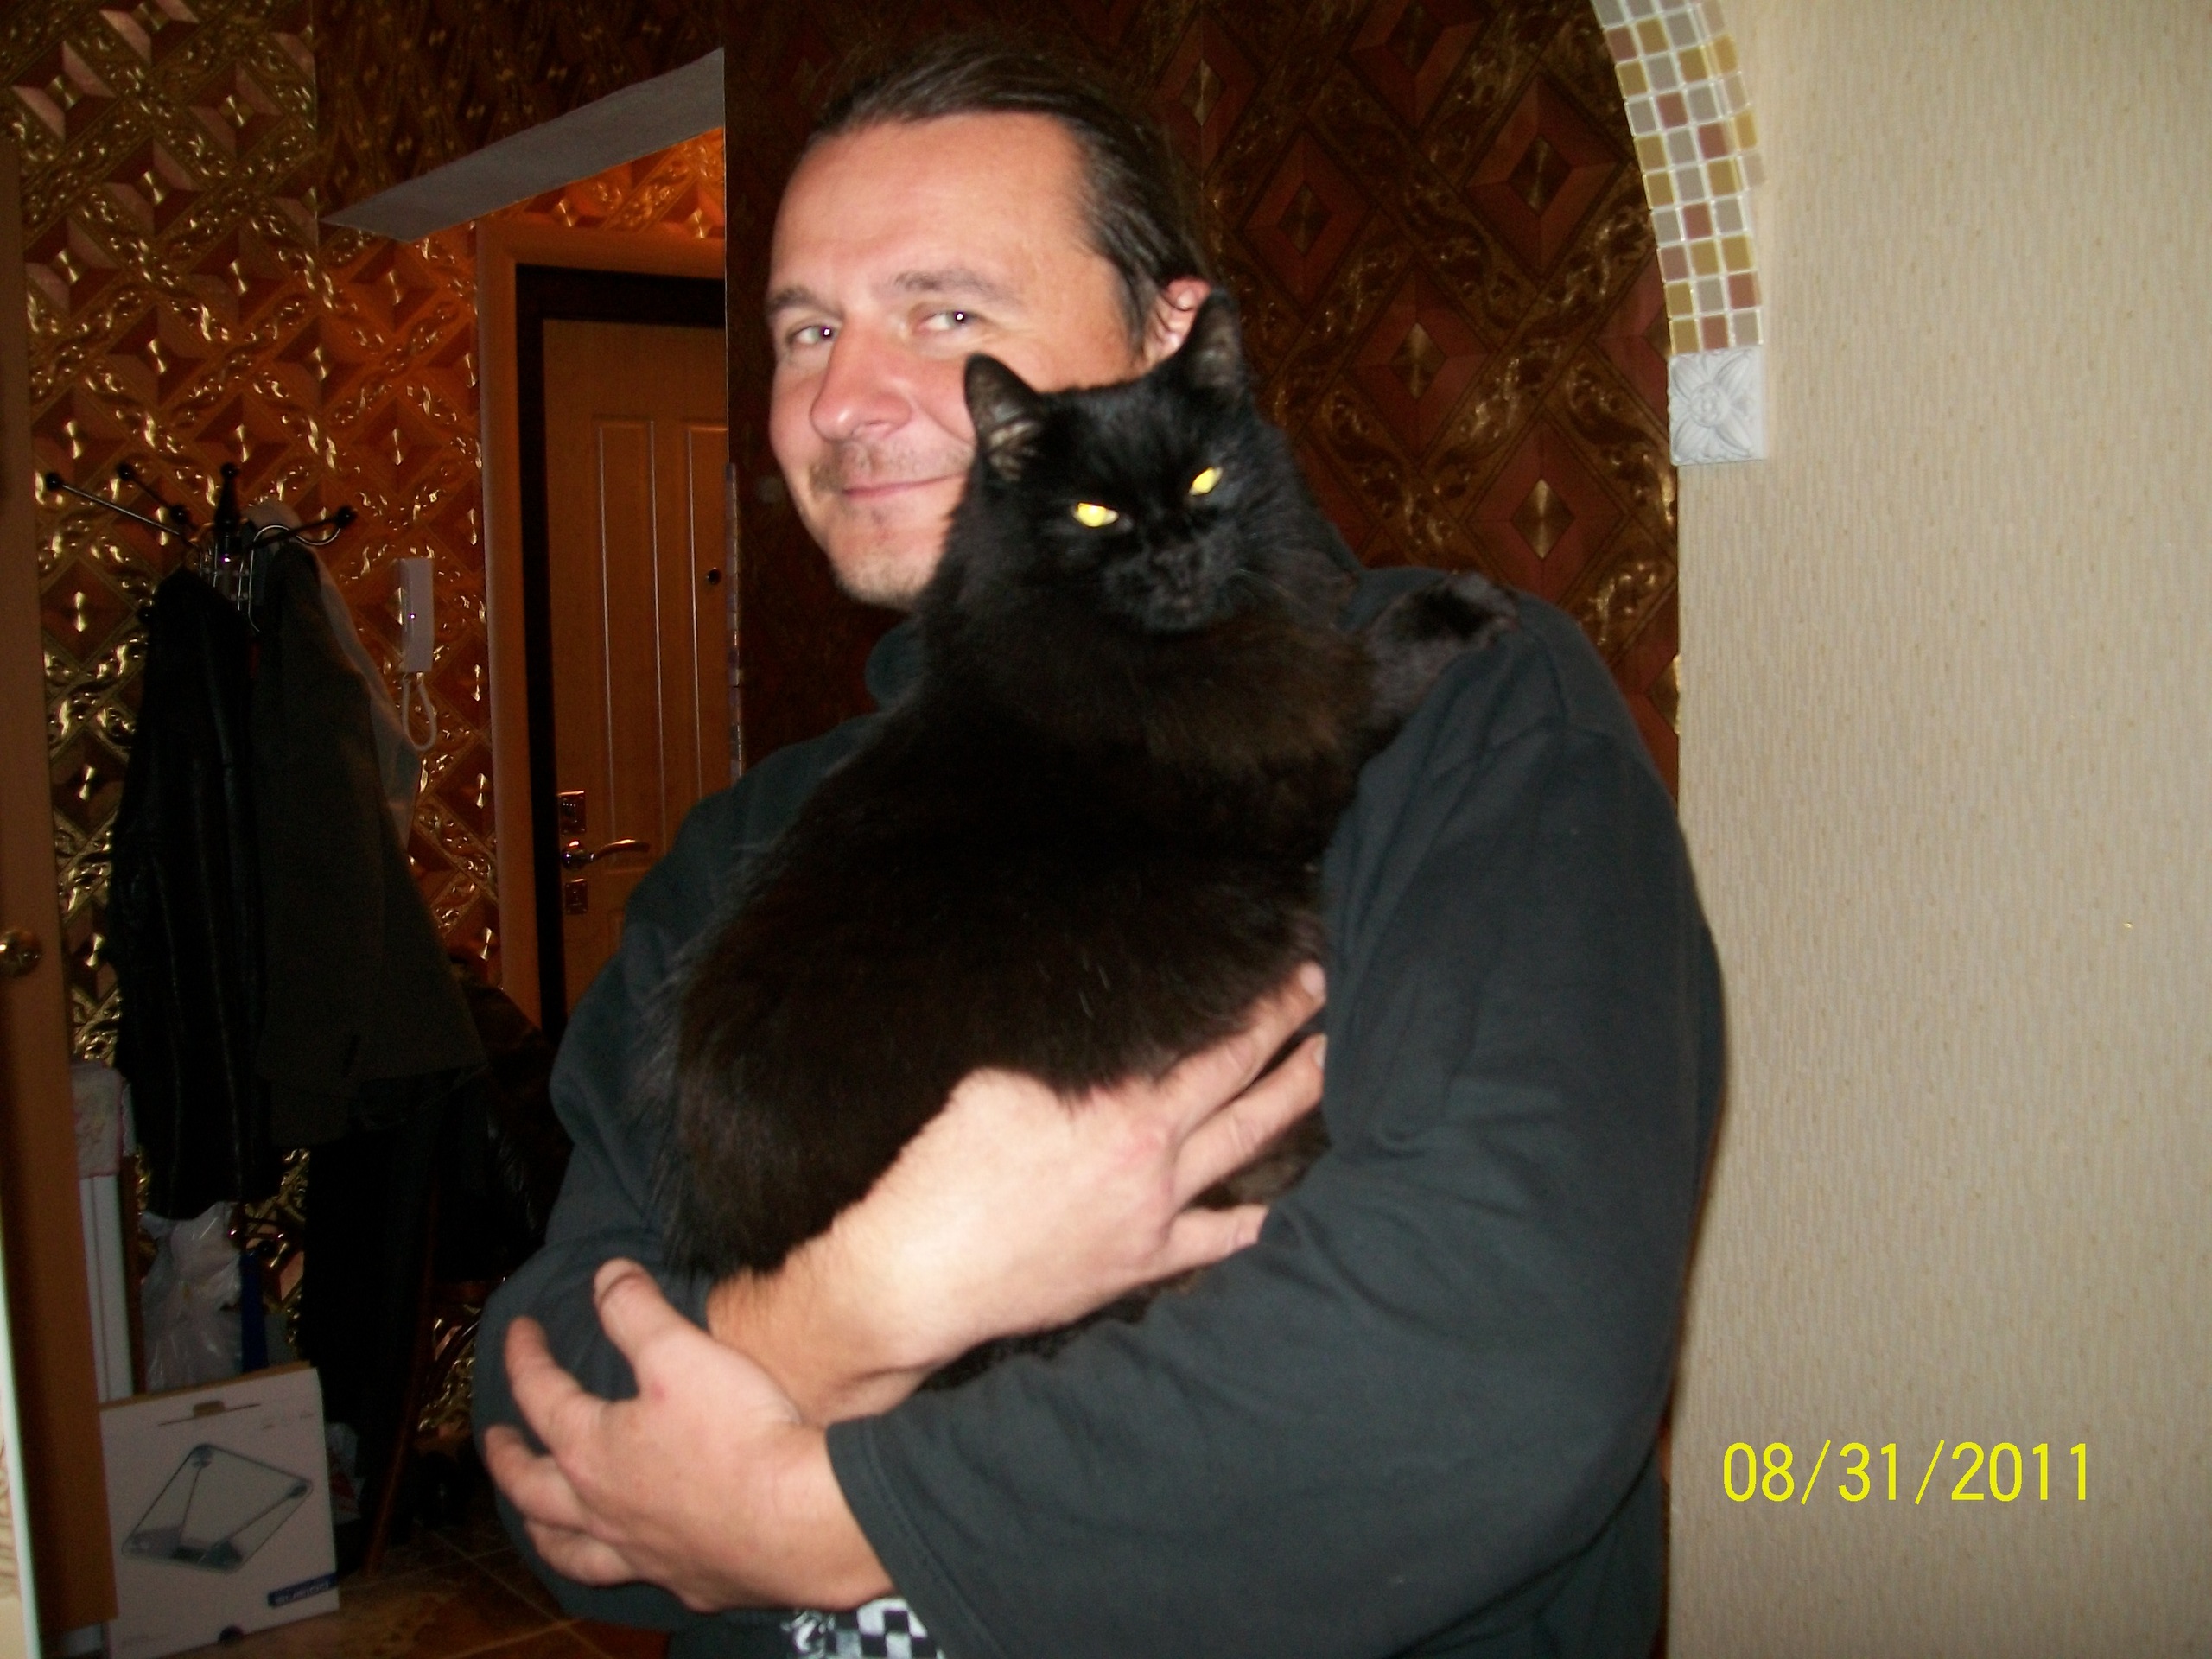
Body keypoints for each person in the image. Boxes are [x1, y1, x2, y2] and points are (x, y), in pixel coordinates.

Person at [475, 37, 1722, 1659]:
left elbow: (1503, 1356)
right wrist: (862, 1303)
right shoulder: (748, 850)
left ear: (1173, 339)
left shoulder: (1470, 721)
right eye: (805, 331)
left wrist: (801, 1515)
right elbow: (540, 1426)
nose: (843, 401)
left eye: (946, 314)